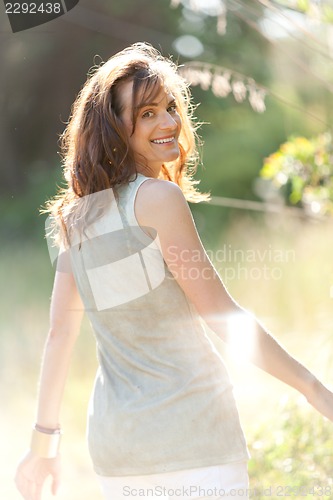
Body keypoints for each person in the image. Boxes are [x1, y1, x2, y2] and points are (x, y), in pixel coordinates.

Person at [15, 42, 333, 500]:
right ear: (112, 127)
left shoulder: (71, 220)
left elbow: (58, 336)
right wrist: (313, 388)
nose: (168, 123)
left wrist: (42, 447)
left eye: (169, 108)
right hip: (195, 441)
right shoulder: (160, 200)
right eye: (146, 114)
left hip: (119, 452)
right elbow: (220, 314)